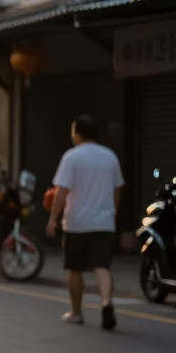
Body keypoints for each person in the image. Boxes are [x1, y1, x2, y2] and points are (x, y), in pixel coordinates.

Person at [46, 115, 124, 329]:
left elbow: (61, 193)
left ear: (76, 133)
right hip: (104, 221)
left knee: (75, 268)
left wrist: (53, 219)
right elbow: (117, 191)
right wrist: (111, 214)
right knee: (102, 266)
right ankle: (107, 302)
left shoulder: (72, 157)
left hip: (77, 222)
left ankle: (76, 312)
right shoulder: (110, 157)